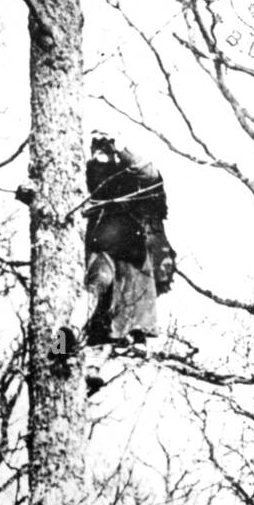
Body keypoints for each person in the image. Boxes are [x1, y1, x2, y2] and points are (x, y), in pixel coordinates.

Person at [83, 132, 176, 350]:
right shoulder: (87, 174)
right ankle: (64, 349)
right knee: (92, 295)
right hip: (101, 245)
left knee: (132, 295)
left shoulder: (130, 176)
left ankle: (128, 340)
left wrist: (121, 149)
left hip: (130, 246)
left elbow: (150, 174)